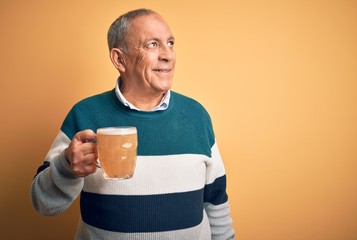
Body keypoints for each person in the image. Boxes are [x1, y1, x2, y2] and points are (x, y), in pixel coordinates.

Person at [30, 8, 235, 240]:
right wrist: (66, 167)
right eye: (152, 45)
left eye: (170, 43)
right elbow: (43, 204)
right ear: (120, 59)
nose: (168, 55)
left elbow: (217, 204)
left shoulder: (197, 115)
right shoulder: (84, 115)